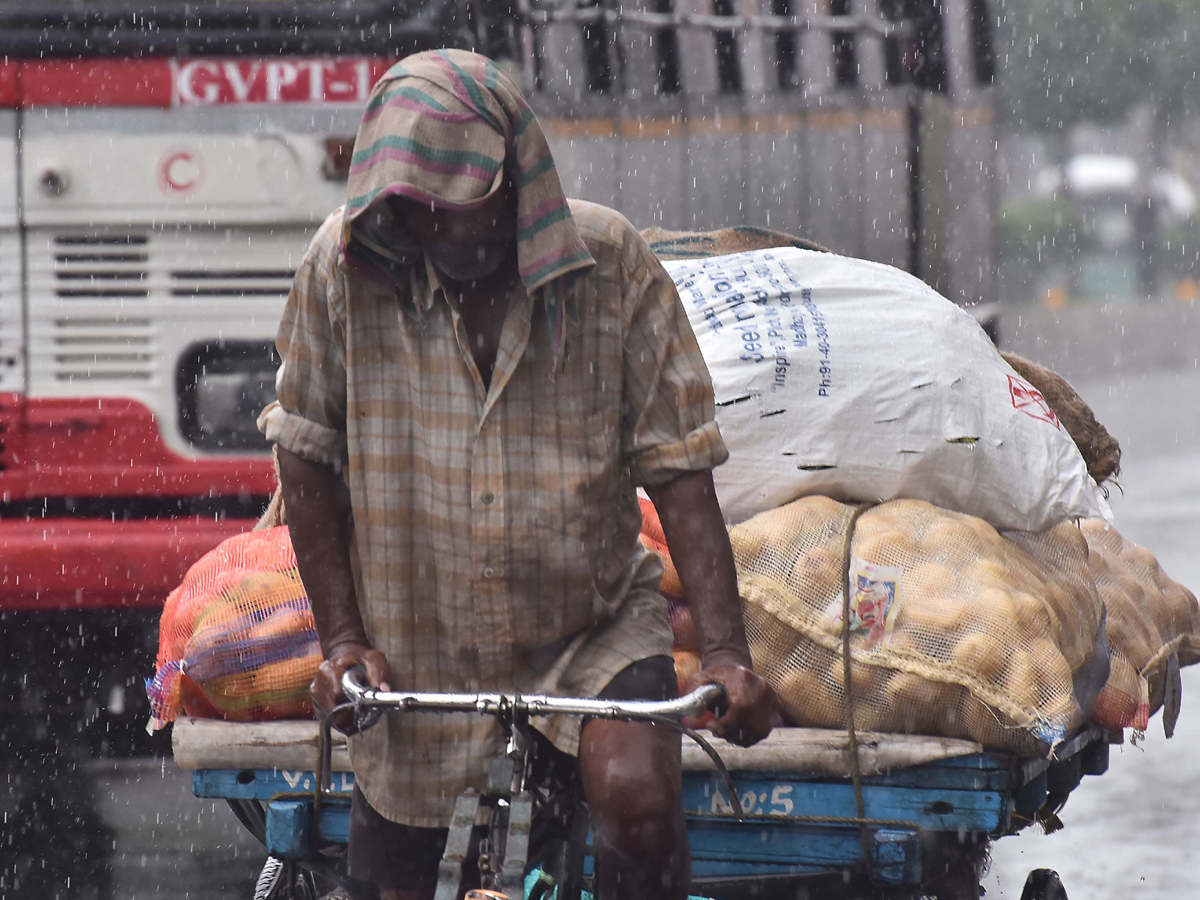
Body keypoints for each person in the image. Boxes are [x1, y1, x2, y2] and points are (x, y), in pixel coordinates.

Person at [259, 48, 777, 900]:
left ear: (521, 181)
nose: (450, 236)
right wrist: (345, 641)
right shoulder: (342, 272)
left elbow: (682, 472)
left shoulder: (611, 268)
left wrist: (724, 653)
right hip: (418, 653)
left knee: (637, 803)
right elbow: (305, 451)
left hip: (592, 635)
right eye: (426, 214)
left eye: (467, 212)